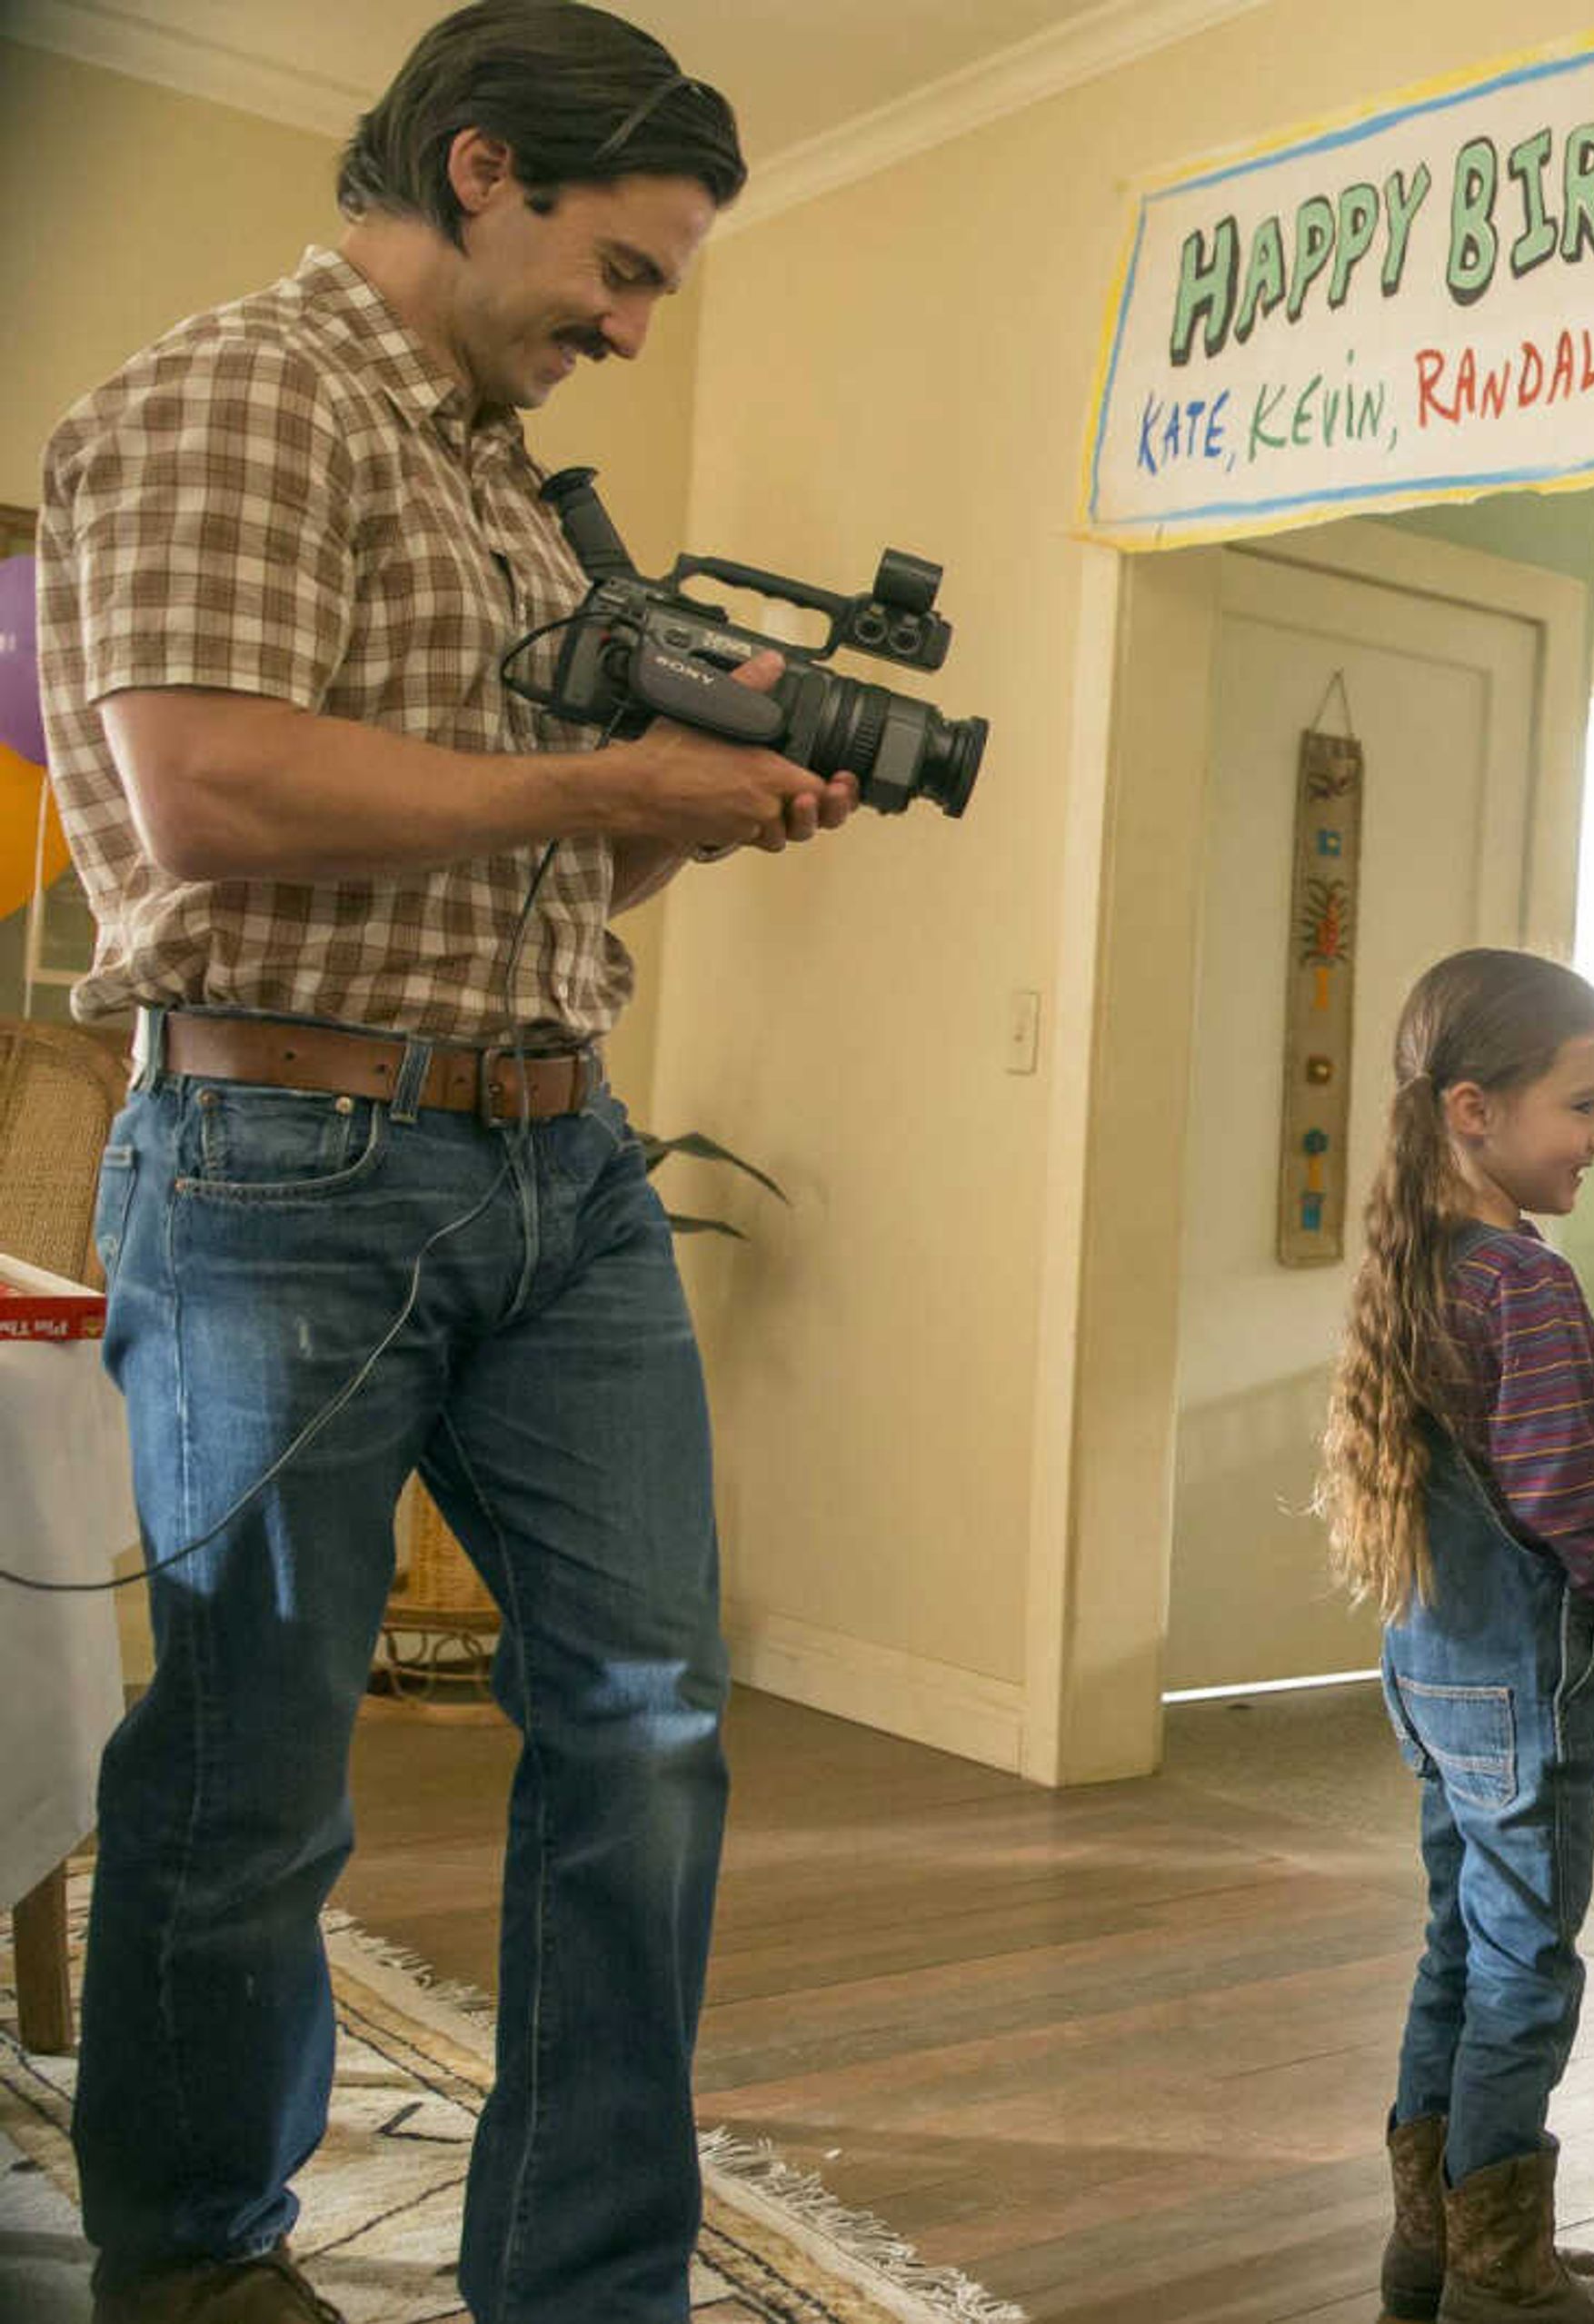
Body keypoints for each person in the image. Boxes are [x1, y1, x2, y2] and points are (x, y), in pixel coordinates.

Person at [35, 7, 845, 2318]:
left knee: (654, 1732)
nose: (631, 320)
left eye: (659, 289)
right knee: (255, 1777)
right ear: (483, 169)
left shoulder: (506, 478)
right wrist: (611, 788)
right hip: (282, 1155)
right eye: (625, 266)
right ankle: (192, 2265)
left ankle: (587, 2286)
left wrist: (698, 808)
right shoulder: (243, 396)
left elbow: (516, 877)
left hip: (556, 1154)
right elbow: (213, 791)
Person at [1320, 948, 1594, 2324]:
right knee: (1527, 1968)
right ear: (1473, 1108)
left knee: (1457, 1951)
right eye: (1584, 1105)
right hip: (1522, 1694)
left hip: (1430, 1675)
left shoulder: (1420, 1259)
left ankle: (1429, 2242)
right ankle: (1500, 2271)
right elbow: (1566, 1494)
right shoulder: (1521, 1284)